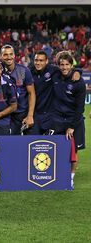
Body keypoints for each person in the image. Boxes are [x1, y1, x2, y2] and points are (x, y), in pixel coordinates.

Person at [50, 51, 86, 188]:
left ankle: (70, 178)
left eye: (67, 65)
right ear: (58, 65)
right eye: (61, 65)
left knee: (73, 151)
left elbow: (80, 108)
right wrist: (78, 70)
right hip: (58, 119)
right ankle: (57, 174)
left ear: (71, 65)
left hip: (74, 120)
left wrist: (72, 126)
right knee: (57, 148)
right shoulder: (55, 75)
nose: (64, 67)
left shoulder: (79, 82)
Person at [0, 45, 36, 135]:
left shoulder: (24, 71)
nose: (8, 57)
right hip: (4, 114)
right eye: (5, 55)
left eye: (11, 54)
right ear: (1, 56)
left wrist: (30, 115)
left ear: (14, 55)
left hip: (21, 114)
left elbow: (31, 93)